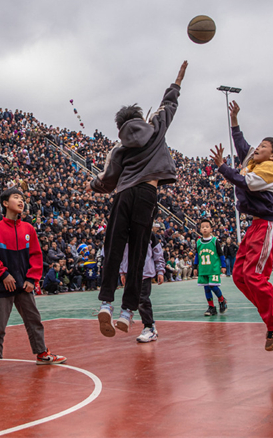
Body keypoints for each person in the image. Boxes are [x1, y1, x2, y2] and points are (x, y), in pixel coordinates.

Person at [88, 61, 187, 337]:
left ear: (119, 125)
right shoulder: (155, 128)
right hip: (147, 193)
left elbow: (107, 180)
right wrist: (176, 82)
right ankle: (127, 312)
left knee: (114, 247)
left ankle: (106, 304)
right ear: (141, 118)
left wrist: (92, 184)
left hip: (123, 195)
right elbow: (170, 105)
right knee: (138, 250)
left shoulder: (119, 148)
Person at [210, 100, 273, 351]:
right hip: (255, 226)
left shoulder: (267, 171)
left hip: (267, 226)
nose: (256, 147)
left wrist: (222, 167)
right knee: (239, 276)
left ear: (272, 155)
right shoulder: (254, 161)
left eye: (263, 146)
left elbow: (243, 182)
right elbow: (241, 143)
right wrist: (234, 119)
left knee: (254, 276)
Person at [0, 187, 67, 375]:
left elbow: (36, 256)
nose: (21, 201)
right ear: (5, 203)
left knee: (34, 320)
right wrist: (4, 275)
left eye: (22, 198)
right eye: (16, 198)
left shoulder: (28, 228)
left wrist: (31, 279)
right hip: (1, 285)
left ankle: (42, 354)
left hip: (24, 286)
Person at [119, 228, 165, 343]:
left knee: (142, 300)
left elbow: (158, 253)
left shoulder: (149, 235)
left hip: (144, 273)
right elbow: (122, 255)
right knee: (136, 299)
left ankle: (149, 328)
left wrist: (160, 270)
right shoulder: (125, 234)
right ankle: (151, 324)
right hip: (130, 274)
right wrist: (123, 272)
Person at [192, 219, 228, 317]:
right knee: (206, 288)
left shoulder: (214, 241)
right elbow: (197, 256)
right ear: (200, 229)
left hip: (213, 268)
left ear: (211, 229)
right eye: (202, 227)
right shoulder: (198, 242)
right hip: (203, 269)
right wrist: (195, 267)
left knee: (213, 285)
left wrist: (223, 265)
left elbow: (221, 254)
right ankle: (211, 307)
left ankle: (221, 299)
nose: (205, 229)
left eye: (207, 227)